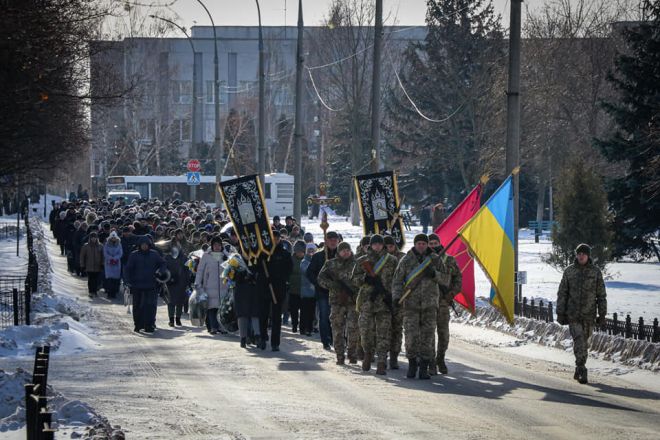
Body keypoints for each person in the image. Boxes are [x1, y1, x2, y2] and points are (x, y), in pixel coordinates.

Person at [392, 234, 447, 379]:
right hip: (411, 304)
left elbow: (446, 279)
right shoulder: (406, 260)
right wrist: (396, 297)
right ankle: (412, 364)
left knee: (428, 336)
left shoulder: (435, 260)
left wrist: (434, 274)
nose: (421, 246)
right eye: (419, 243)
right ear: (415, 244)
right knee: (411, 335)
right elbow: (397, 280)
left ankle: (424, 366)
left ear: (427, 244)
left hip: (430, 304)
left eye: (424, 243)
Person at [556, 243, 607, 384]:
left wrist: (602, 315)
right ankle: (582, 368)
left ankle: (579, 366)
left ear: (588, 255)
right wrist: (560, 312)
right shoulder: (569, 271)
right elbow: (562, 293)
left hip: (589, 315)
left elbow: (601, 295)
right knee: (579, 340)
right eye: (579, 254)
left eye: (583, 254)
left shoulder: (595, 272)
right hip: (573, 315)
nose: (581, 256)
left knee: (584, 342)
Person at [352, 235, 398, 374]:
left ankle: (382, 361)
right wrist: (365, 279)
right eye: (374, 244)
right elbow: (354, 279)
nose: (377, 246)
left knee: (383, 332)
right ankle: (367, 354)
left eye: (379, 244)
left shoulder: (392, 260)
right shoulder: (362, 260)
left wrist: (392, 296)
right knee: (365, 331)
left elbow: (397, 280)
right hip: (367, 301)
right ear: (370, 245)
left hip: (384, 302)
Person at [318, 241, 359, 365]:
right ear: (339, 252)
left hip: (352, 302)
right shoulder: (330, 264)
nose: (346, 252)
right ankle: (340, 355)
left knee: (353, 329)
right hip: (337, 302)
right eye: (343, 250)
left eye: (348, 250)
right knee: (337, 330)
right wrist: (332, 285)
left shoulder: (357, 263)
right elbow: (320, 278)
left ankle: (352, 354)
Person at [428, 233, 462, 375]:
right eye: (431, 243)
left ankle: (440, 359)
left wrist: (451, 293)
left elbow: (458, 279)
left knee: (443, 334)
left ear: (439, 243)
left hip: (442, 302)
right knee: (428, 334)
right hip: (427, 302)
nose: (433, 246)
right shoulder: (424, 260)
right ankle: (430, 362)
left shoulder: (449, 260)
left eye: (435, 243)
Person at [125, 235, 168, 333]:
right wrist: (127, 281)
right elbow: (128, 269)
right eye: (142, 245)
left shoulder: (154, 254)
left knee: (150, 306)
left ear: (149, 245)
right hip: (137, 285)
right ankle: (138, 325)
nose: (144, 246)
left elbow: (163, 263)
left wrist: (160, 272)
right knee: (137, 306)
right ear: (139, 245)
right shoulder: (134, 255)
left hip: (151, 284)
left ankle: (149, 325)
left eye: (146, 245)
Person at [258, 230, 293, 351]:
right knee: (263, 314)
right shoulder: (263, 253)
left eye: (277, 238)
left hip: (278, 289)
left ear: (280, 240)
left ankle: (275, 342)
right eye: (273, 238)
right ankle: (262, 338)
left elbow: (289, 270)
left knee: (276, 317)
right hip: (264, 288)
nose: (275, 240)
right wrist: (264, 278)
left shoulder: (284, 254)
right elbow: (257, 268)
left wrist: (279, 279)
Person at [305, 231, 339, 350]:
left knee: (337, 316)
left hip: (338, 292)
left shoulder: (341, 255)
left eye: (335, 240)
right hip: (323, 292)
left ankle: (336, 339)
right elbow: (309, 273)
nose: (333, 242)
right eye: (331, 240)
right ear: (326, 241)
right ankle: (326, 340)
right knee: (324, 316)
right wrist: (318, 283)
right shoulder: (318, 256)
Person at [195, 236, 226, 334]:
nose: (217, 247)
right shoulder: (206, 256)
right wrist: (197, 283)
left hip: (223, 287)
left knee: (221, 309)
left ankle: (221, 327)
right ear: (212, 246)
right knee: (212, 308)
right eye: (215, 245)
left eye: (219, 245)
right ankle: (213, 327)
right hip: (209, 287)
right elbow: (200, 271)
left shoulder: (225, 256)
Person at [384, 235, 405, 369]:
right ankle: (383, 355)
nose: (389, 249)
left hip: (399, 299)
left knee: (397, 329)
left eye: (391, 246)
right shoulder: (380, 258)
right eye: (386, 247)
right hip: (384, 299)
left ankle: (394, 356)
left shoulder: (403, 258)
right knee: (384, 329)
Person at [233, 257, 261, 348]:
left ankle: (256, 336)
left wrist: (254, 277)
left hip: (253, 289)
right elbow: (233, 276)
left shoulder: (257, 257)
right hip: (241, 290)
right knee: (243, 315)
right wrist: (242, 276)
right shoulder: (236, 259)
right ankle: (243, 338)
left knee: (254, 314)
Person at [165, 245, 189, 327]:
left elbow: (187, 270)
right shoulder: (168, 257)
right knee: (173, 301)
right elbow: (164, 269)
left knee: (177, 302)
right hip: (172, 282)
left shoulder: (184, 258)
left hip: (179, 282)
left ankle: (176, 319)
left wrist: (187, 282)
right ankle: (173, 320)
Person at [288, 240, 306, 333]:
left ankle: (302, 328)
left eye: (302, 252)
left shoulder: (306, 260)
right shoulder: (290, 260)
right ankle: (294, 325)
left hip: (304, 289)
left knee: (303, 310)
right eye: (299, 251)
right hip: (293, 289)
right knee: (294, 310)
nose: (300, 253)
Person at [299, 243, 317, 336]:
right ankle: (302, 328)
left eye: (312, 250)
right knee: (304, 310)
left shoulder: (316, 260)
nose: (311, 252)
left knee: (311, 311)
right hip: (305, 290)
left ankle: (309, 328)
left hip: (314, 290)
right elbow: (305, 272)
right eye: (309, 250)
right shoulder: (304, 261)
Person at [80, 232, 104, 298]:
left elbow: (103, 256)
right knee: (90, 279)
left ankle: (95, 291)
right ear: (90, 238)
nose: (93, 239)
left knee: (96, 280)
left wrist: (102, 264)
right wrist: (82, 265)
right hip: (89, 266)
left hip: (97, 266)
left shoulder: (100, 246)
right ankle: (90, 291)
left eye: (95, 238)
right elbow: (82, 256)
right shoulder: (86, 246)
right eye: (92, 238)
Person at [103, 231, 123, 299]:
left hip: (116, 263)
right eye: (112, 237)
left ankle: (114, 293)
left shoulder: (119, 244)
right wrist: (110, 258)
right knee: (109, 279)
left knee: (115, 280)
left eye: (114, 237)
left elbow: (120, 253)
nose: (113, 238)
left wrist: (115, 258)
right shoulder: (106, 244)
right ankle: (109, 293)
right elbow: (105, 253)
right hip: (108, 263)